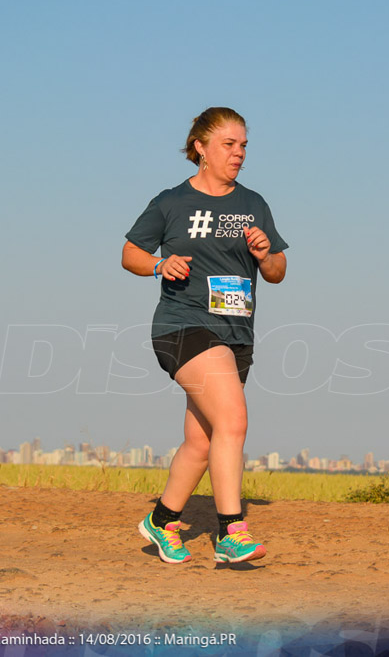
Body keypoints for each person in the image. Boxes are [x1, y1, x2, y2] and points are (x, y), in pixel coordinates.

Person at [121, 107, 288, 564]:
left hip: (236, 332)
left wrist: (264, 252)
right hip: (182, 325)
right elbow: (130, 252)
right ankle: (231, 531)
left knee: (203, 440)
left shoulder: (253, 204)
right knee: (234, 420)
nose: (239, 154)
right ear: (201, 147)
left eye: (244, 146)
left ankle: (160, 521)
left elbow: (276, 271)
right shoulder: (171, 202)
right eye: (229, 145)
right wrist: (159, 264)